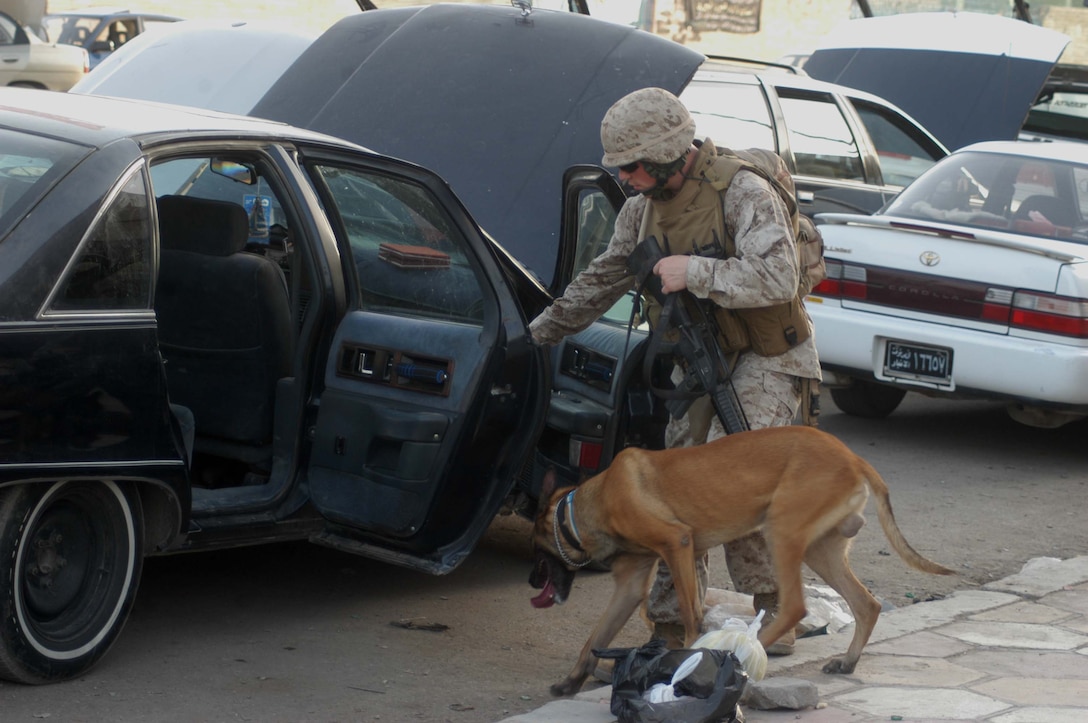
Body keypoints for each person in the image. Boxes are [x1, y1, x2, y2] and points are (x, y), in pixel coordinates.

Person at [529, 87, 821, 655]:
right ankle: (668, 625)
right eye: (621, 168)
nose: (627, 178)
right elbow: (605, 275)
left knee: (734, 481)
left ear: (667, 154)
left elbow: (780, 279)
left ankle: (774, 606)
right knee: (673, 490)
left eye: (633, 166)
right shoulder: (641, 209)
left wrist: (696, 271)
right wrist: (536, 333)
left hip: (767, 356)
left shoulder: (743, 191)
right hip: (700, 359)